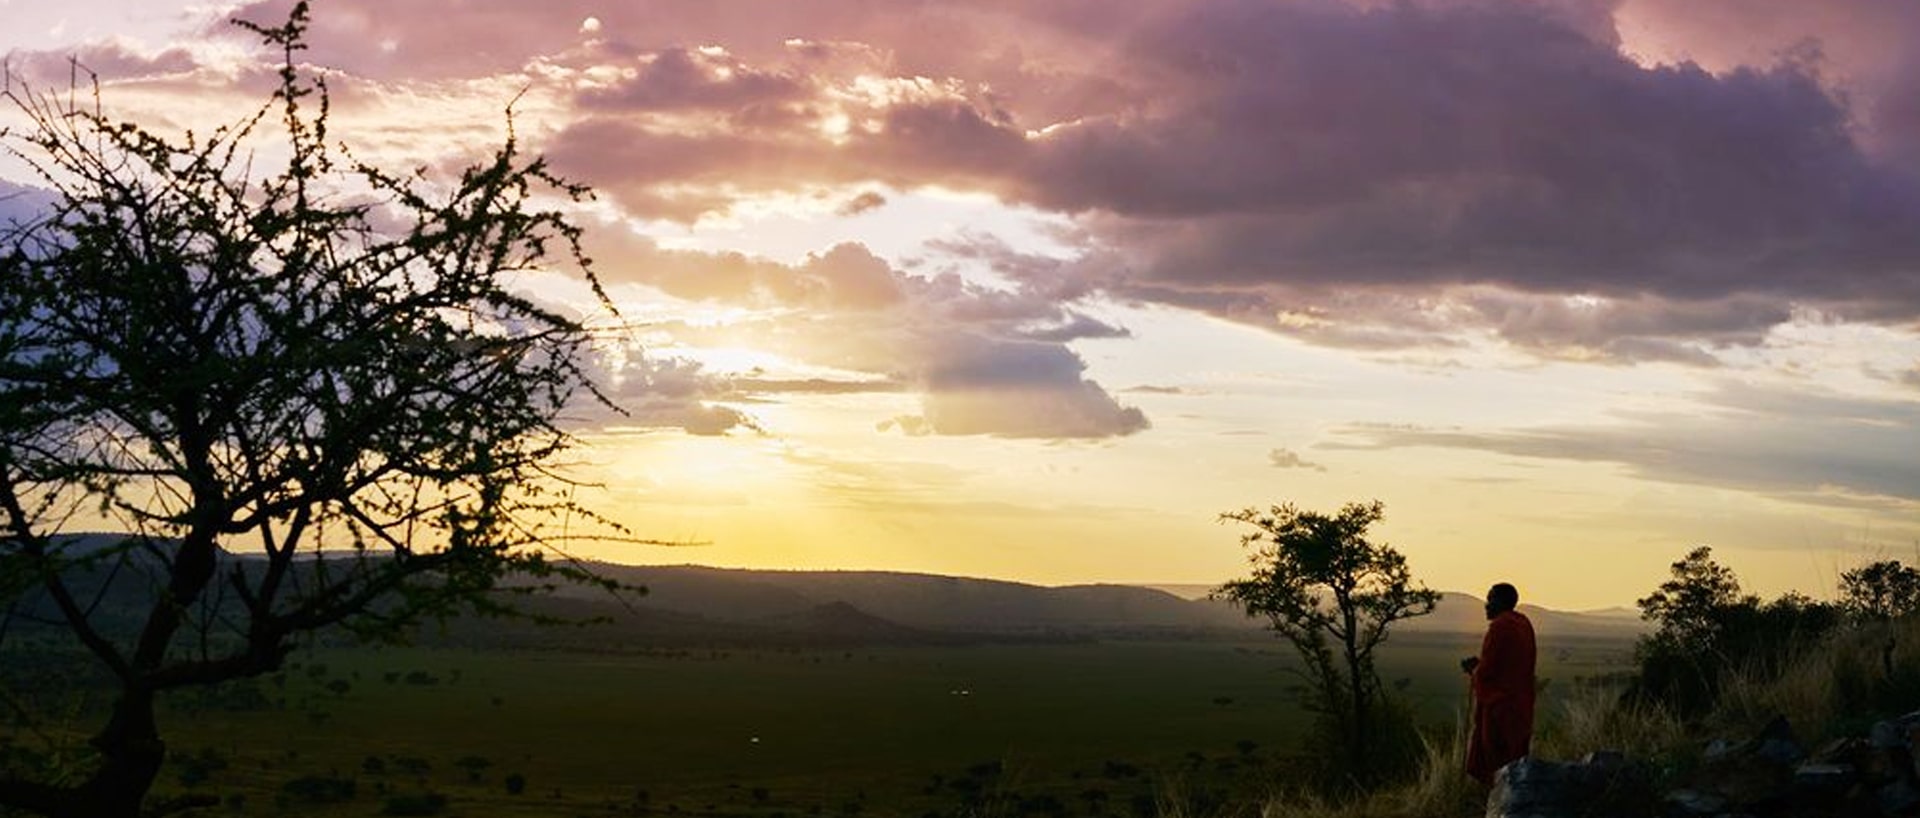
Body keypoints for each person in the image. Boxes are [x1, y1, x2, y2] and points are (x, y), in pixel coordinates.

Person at [1460, 582, 1536, 785]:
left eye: (1491, 599)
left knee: (1497, 763)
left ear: (1502, 602)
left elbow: (1487, 673)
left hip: (1500, 707)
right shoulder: (1523, 623)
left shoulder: (1499, 627)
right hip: (1521, 704)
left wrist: (1474, 670)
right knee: (1516, 761)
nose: (1486, 605)